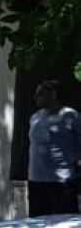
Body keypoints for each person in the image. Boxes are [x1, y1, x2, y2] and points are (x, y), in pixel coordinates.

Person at [27, 81, 81, 217]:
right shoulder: (35, 117)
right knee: (36, 222)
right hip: (36, 181)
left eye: (40, 94)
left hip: (61, 181)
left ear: (53, 94)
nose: (36, 97)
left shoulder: (71, 116)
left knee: (63, 222)